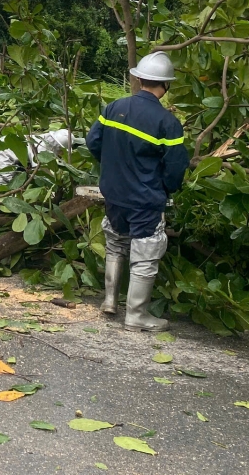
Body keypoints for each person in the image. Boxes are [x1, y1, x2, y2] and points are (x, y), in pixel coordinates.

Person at [86, 51, 188, 332]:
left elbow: (93, 142)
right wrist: (165, 189)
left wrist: (112, 169)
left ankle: (109, 300)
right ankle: (136, 314)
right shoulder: (167, 123)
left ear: (139, 78)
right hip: (144, 198)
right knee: (146, 251)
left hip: (113, 193)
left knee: (116, 242)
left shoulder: (113, 108)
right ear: (165, 85)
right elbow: (176, 167)